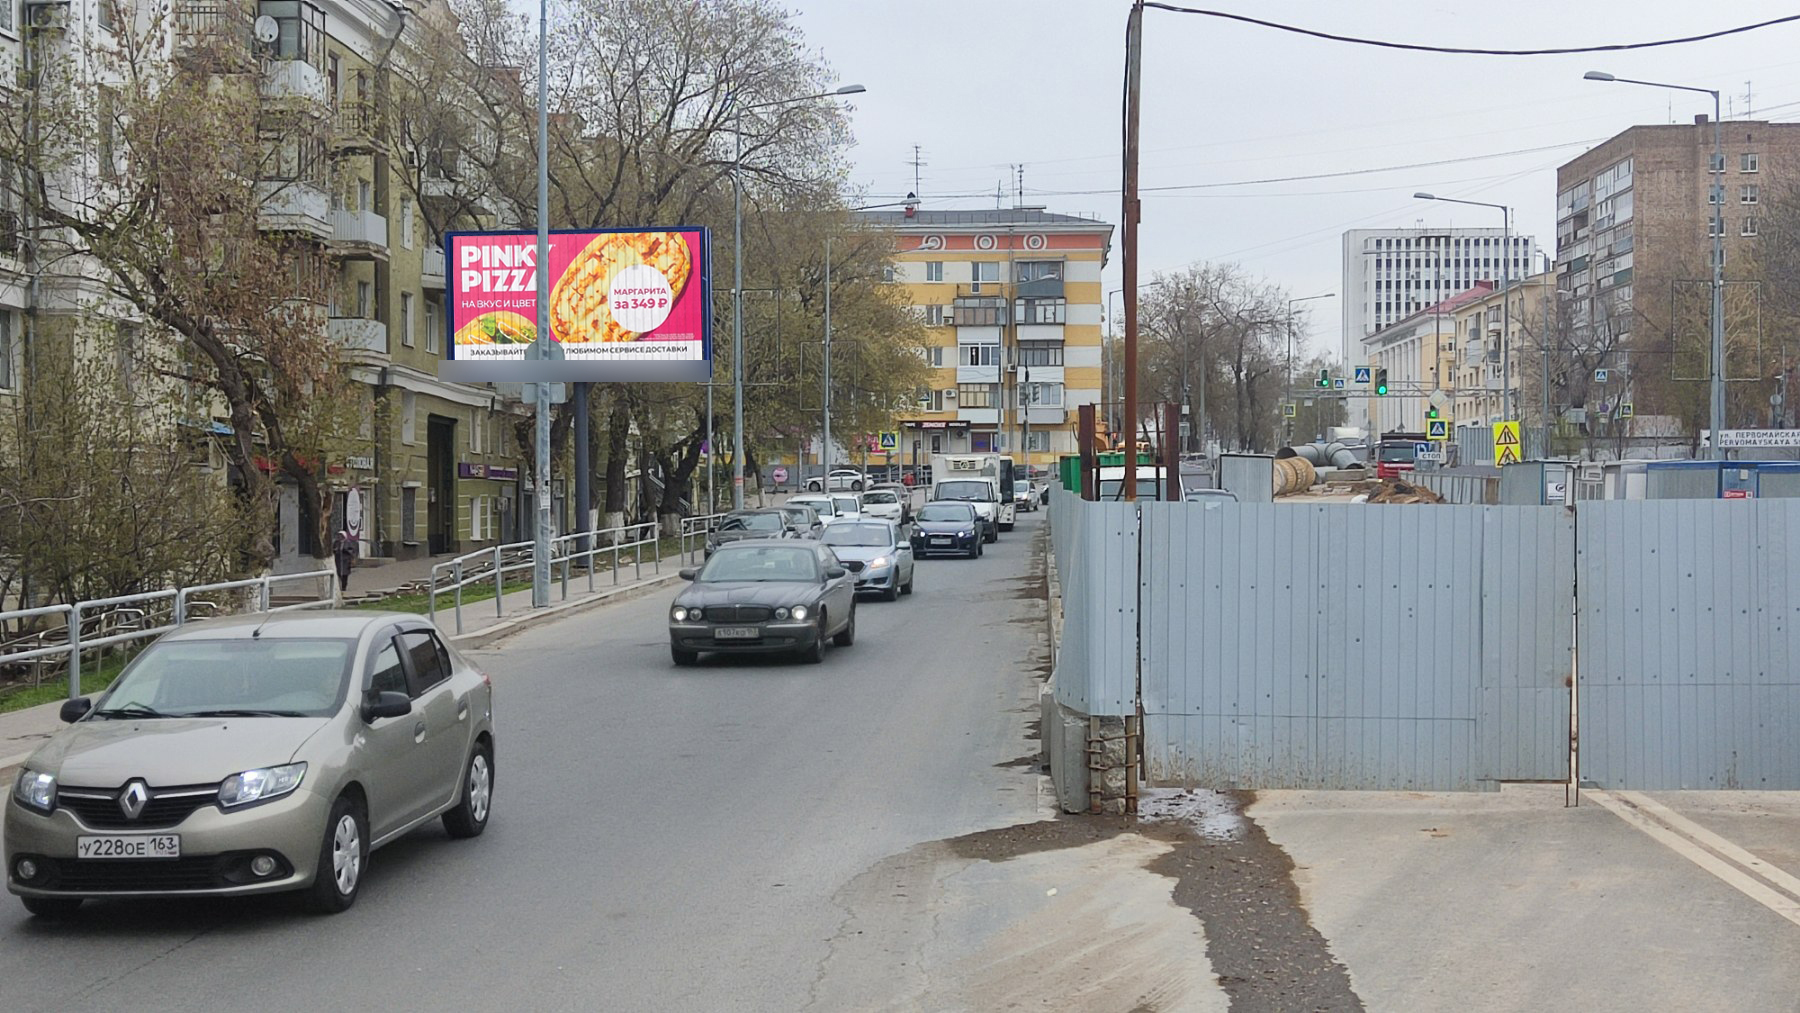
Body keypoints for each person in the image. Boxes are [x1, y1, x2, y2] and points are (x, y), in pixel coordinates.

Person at [332, 529, 358, 593]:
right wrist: (335, 550)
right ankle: (338, 586)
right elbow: (333, 550)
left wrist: (346, 550)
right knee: (338, 574)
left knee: (345, 574)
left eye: (341, 536)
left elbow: (351, 551)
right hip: (338, 561)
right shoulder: (336, 542)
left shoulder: (348, 542)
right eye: (339, 536)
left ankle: (344, 586)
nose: (340, 537)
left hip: (346, 561)